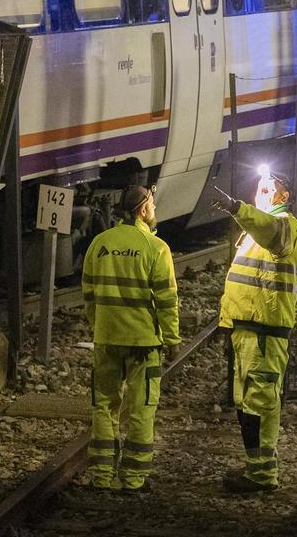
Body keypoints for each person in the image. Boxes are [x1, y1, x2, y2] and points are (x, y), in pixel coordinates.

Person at [81, 185, 181, 491]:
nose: (154, 211)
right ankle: (134, 478)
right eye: (152, 206)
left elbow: (88, 294)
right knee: (141, 410)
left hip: (107, 340)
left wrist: (101, 327)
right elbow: (166, 300)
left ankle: (101, 476)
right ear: (143, 209)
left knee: (104, 407)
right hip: (143, 344)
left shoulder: (100, 243)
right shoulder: (156, 247)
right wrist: (172, 340)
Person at [213, 169, 297, 494]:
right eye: (259, 186)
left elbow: (268, 229)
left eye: (270, 187)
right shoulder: (257, 231)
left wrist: (236, 209)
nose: (262, 191)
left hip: (264, 333)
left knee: (261, 402)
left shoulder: (285, 227)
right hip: (248, 330)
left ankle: (263, 475)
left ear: (284, 197)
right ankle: (258, 469)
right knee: (248, 403)